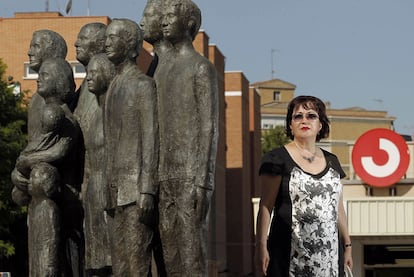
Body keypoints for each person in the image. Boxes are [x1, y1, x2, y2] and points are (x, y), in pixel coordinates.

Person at [255, 95, 353, 276]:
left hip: (330, 260)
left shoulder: (333, 161)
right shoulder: (276, 159)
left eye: (311, 115)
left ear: (320, 125)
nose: (304, 120)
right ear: (290, 125)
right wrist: (261, 245)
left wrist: (347, 245)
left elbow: (338, 207)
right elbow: (265, 206)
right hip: (289, 259)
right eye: (297, 116)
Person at [156, 0, 219, 275]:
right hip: (162, 174)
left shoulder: (201, 68)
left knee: (191, 253)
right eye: (165, 16)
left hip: (189, 175)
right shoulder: (159, 70)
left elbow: (208, 126)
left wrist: (203, 180)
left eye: (171, 16)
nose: (165, 21)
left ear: (190, 25)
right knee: (168, 254)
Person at [103, 18, 158, 276]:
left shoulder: (143, 85)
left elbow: (150, 137)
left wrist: (147, 189)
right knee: (120, 265)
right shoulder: (113, 86)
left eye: (114, 38)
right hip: (114, 190)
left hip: (135, 190)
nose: (107, 42)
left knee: (138, 264)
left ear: (131, 45)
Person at [73, 23, 111, 277]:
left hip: (103, 182)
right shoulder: (80, 91)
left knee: (104, 259)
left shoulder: (106, 86)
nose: (76, 43)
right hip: (87, 184)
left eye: (83, 39)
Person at [81, 53, 115, 277]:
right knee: (95, 262)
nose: (88, 77)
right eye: (87, 72)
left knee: (111, 260)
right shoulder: (95, 118)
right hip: (93, 192)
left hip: (109, 194)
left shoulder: (114, 114)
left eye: (94, 73)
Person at [27, 162, 61, 277]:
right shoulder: (32, 207)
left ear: (45, 182)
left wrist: (50, 264)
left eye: (33, 177)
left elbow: (52, 238)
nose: (29, 181)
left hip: (45, 260)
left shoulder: (49, 207)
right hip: (35, 259)